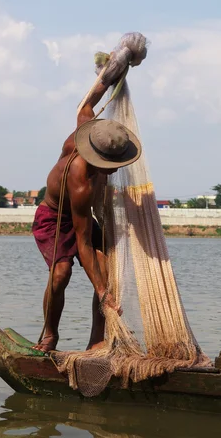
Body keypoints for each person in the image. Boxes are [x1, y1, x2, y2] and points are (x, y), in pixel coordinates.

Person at [32, 77, 141, 353]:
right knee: (61, 273)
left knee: (106, 270)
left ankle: (96, 339)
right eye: (110, 165)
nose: (115, 170)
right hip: (55, 218)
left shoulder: (91, 130)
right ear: (95, 159)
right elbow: (83, 242)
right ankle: (50, 335)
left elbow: (86, 104)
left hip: (79, 218)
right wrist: (105, 295)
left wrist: (111, 73)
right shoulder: (81, 180)